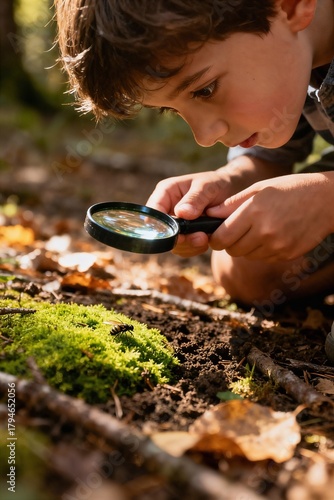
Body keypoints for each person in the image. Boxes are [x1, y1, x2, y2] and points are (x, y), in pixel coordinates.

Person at [55, 0, 334, 357]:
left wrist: (325, 200)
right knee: (248, 268)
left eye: (205, 89)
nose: (203, 135)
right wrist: (232, 179)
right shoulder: (293, 55)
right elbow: (269, 158)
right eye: (173, 109)